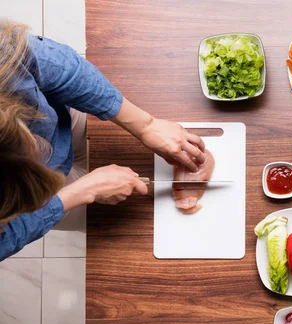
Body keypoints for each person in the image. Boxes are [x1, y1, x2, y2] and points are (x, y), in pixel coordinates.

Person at [0, 21, 206, 260]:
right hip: (40, 202)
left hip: (60, 121)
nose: (43, 154)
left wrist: (145, 124)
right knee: (108, 226)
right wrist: (80, 193)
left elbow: (59, 67)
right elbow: (7, 237)